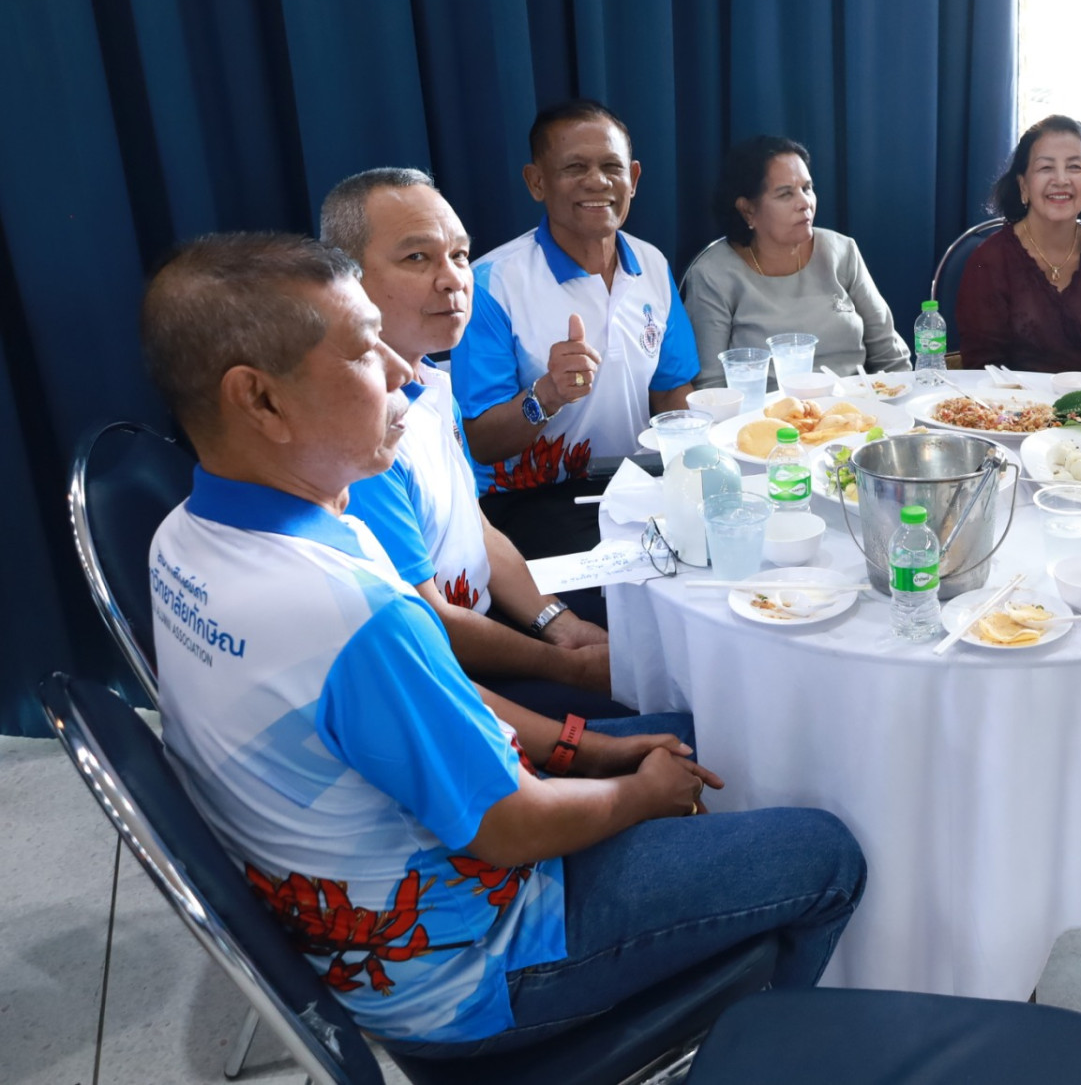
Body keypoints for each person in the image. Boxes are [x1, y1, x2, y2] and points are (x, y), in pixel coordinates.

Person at [140, 232, 864, 1055]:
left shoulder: (186, 535)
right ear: (260, 401)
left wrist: (591, 747)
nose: (404, 371)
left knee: (716, 739)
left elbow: (434, 701)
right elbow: (509, 827)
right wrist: (637, 795)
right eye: (363, 350)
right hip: (474, 960)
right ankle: (769, 1051)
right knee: (828, 850)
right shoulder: (343, 613)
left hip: (377, 904)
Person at [320, 168, 628, 719]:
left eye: (460, 255)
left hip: (487, 630)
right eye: (417, 257)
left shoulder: (432, 382)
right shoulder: (357, 437)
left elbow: (475, 527)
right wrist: (568, 666)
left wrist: (560, 624)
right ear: (347, 278)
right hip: (445, 684)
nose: (453, 280)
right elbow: (427, 623)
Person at [452, 99, 698, 564]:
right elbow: (481, 442)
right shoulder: (491, 284)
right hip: (532, 501)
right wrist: (546, 395)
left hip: (637, 486)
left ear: (634, 179)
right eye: (575, 168)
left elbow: (671, 392)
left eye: (611, 167)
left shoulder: (651, 263)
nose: (597, 181)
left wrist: (698, 469)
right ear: (536, 182)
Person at [682, 136, 911, 387]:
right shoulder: (714, 274)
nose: (804, 203)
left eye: (807, 188)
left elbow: (892, 359)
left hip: (854, 405)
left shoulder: (841, 251)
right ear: (747, 210)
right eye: (785, 194)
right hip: (766, 410)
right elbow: (711, 385)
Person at [956, 115, 1081, 373]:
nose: (1061, 179)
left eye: (1074, 167)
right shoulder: (990, 261)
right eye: (1046, 168)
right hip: (1008, 398)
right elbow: (982, 369)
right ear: (1023, 184)